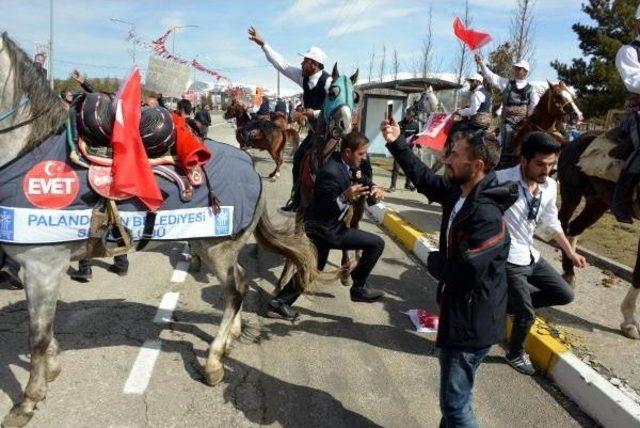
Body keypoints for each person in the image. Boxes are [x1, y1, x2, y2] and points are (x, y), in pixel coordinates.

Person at [382, 120, 518, 427]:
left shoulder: (486, 213)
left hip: (471, 324)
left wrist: (434, 261)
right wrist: (396, 142)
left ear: (478, 164)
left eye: (454, 154)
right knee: (454, 403)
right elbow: (424, 179)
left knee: (456, 407)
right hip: (459, 313)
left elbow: (466, 271)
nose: (446, 159)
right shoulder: (461, 192)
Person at [267, 131, 386, 320]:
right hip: (324, 229)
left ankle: (278, 303)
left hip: (328, 227)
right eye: (361, 154)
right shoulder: (330, 172)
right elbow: (323, 209)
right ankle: (358, 287)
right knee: (377, 243)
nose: (364, 159)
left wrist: (374, 188)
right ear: (347, 152)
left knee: (314, 269)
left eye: (365, 154)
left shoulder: (351, 165)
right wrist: (344, 197)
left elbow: (363, 180)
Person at [496, 132, 585, 375]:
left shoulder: (549, 186)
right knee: (526, 314)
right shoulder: (500, 180)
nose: (546, 170)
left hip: (529, 254)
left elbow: (551, 222)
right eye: (540, 164)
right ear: (523, 160)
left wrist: (570, 253)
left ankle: (502, 306)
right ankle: (514, 353)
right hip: (507, 257)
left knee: (565, 294)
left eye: (551, 164)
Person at [248, 26, 332, 212]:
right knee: (298, 161)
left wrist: (314, 113)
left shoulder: (328, 82)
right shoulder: (303, 77)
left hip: (331, 133)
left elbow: (338, 106)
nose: (301, 63)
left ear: (314, 64)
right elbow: (282, 65)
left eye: (305, 60)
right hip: (314, 132)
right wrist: (263, 44)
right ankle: (297, 200)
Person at [611, 5, 640, 223]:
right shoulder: (629, 51)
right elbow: (633, 81)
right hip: (636, 113)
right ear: (637, 24)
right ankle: (620, 199)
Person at [475, 55, 539, 152]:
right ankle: (504, 156)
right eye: (516, 68)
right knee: (507, 132)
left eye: (519, 68)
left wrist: (528, 116)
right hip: (507, 121)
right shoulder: (506, 83)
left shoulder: (531, 89)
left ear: (525, 72)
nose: (516, 70)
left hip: (523, 121)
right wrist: (481, 63)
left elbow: (535, 104)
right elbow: (491, 77)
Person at [389, 110, 419, 192]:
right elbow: (395, 136)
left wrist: (419, 146)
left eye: (412, 116)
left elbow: (416, 136)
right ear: (406, 115)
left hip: (409, 150)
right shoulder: (400, 124)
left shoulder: (415, 125)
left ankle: (408, 184)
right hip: (399, 149)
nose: (410, 117)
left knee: (409, 167)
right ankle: (392, 186)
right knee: (396, 168)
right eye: (409, 115)